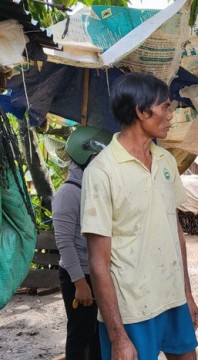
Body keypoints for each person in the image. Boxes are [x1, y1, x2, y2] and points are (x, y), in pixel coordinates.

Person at [80, 72, 198, 360]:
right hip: (132, 310)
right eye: (165, 107)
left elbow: (176, 232)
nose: (171, 115)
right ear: (140, 110)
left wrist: (187, 294)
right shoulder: (102, 171)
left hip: (172, 300)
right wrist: (117, 336)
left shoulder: (165, 160)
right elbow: (98, 261)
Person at [53, 126, 111, 360]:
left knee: (97, 334)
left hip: (94, 273)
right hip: (77, 276)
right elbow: (64, 243)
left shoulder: (90, 189)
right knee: (80, 335)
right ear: (85, 156)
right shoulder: (68, 193)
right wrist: (80, 283)